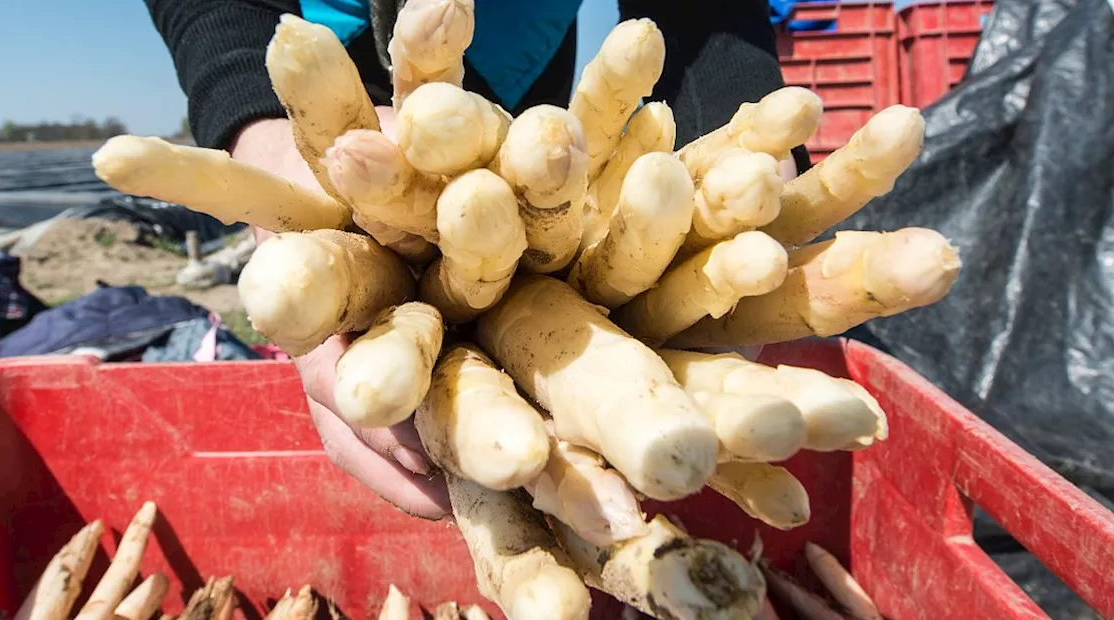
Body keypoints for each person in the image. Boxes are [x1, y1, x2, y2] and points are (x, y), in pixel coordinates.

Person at [143, 0, 806, 519]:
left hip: (524, 111)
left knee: (523, 187)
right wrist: (267, 145)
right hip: (334, 109)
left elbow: (707, 16)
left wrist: (746, 162)